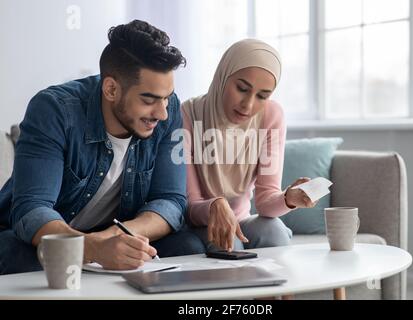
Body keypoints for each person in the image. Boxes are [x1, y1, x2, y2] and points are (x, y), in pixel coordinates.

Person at [0, 20, 205, 275]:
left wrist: (117, 236)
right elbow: (32, 208)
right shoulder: (54, 110)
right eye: (149, 99)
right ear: (111, 89)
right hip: (42, 237)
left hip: (115, 230)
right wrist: (92, 247)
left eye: (166, 97)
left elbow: (171, 200)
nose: (163, 113)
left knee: (188, 246)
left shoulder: (169, 109)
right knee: (16, 256)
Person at [182, 39, 317, 252]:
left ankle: (281, 286)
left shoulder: (271, 116)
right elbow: (189, 205)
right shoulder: (188, 115)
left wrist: (287, 198)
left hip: (242, 220)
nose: (248, 105)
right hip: (197, 223)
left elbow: (265, 202)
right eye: (242, 88)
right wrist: (215, 206)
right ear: (223, 76)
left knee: (274, 231)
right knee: (228, 244)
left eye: (263, 96)